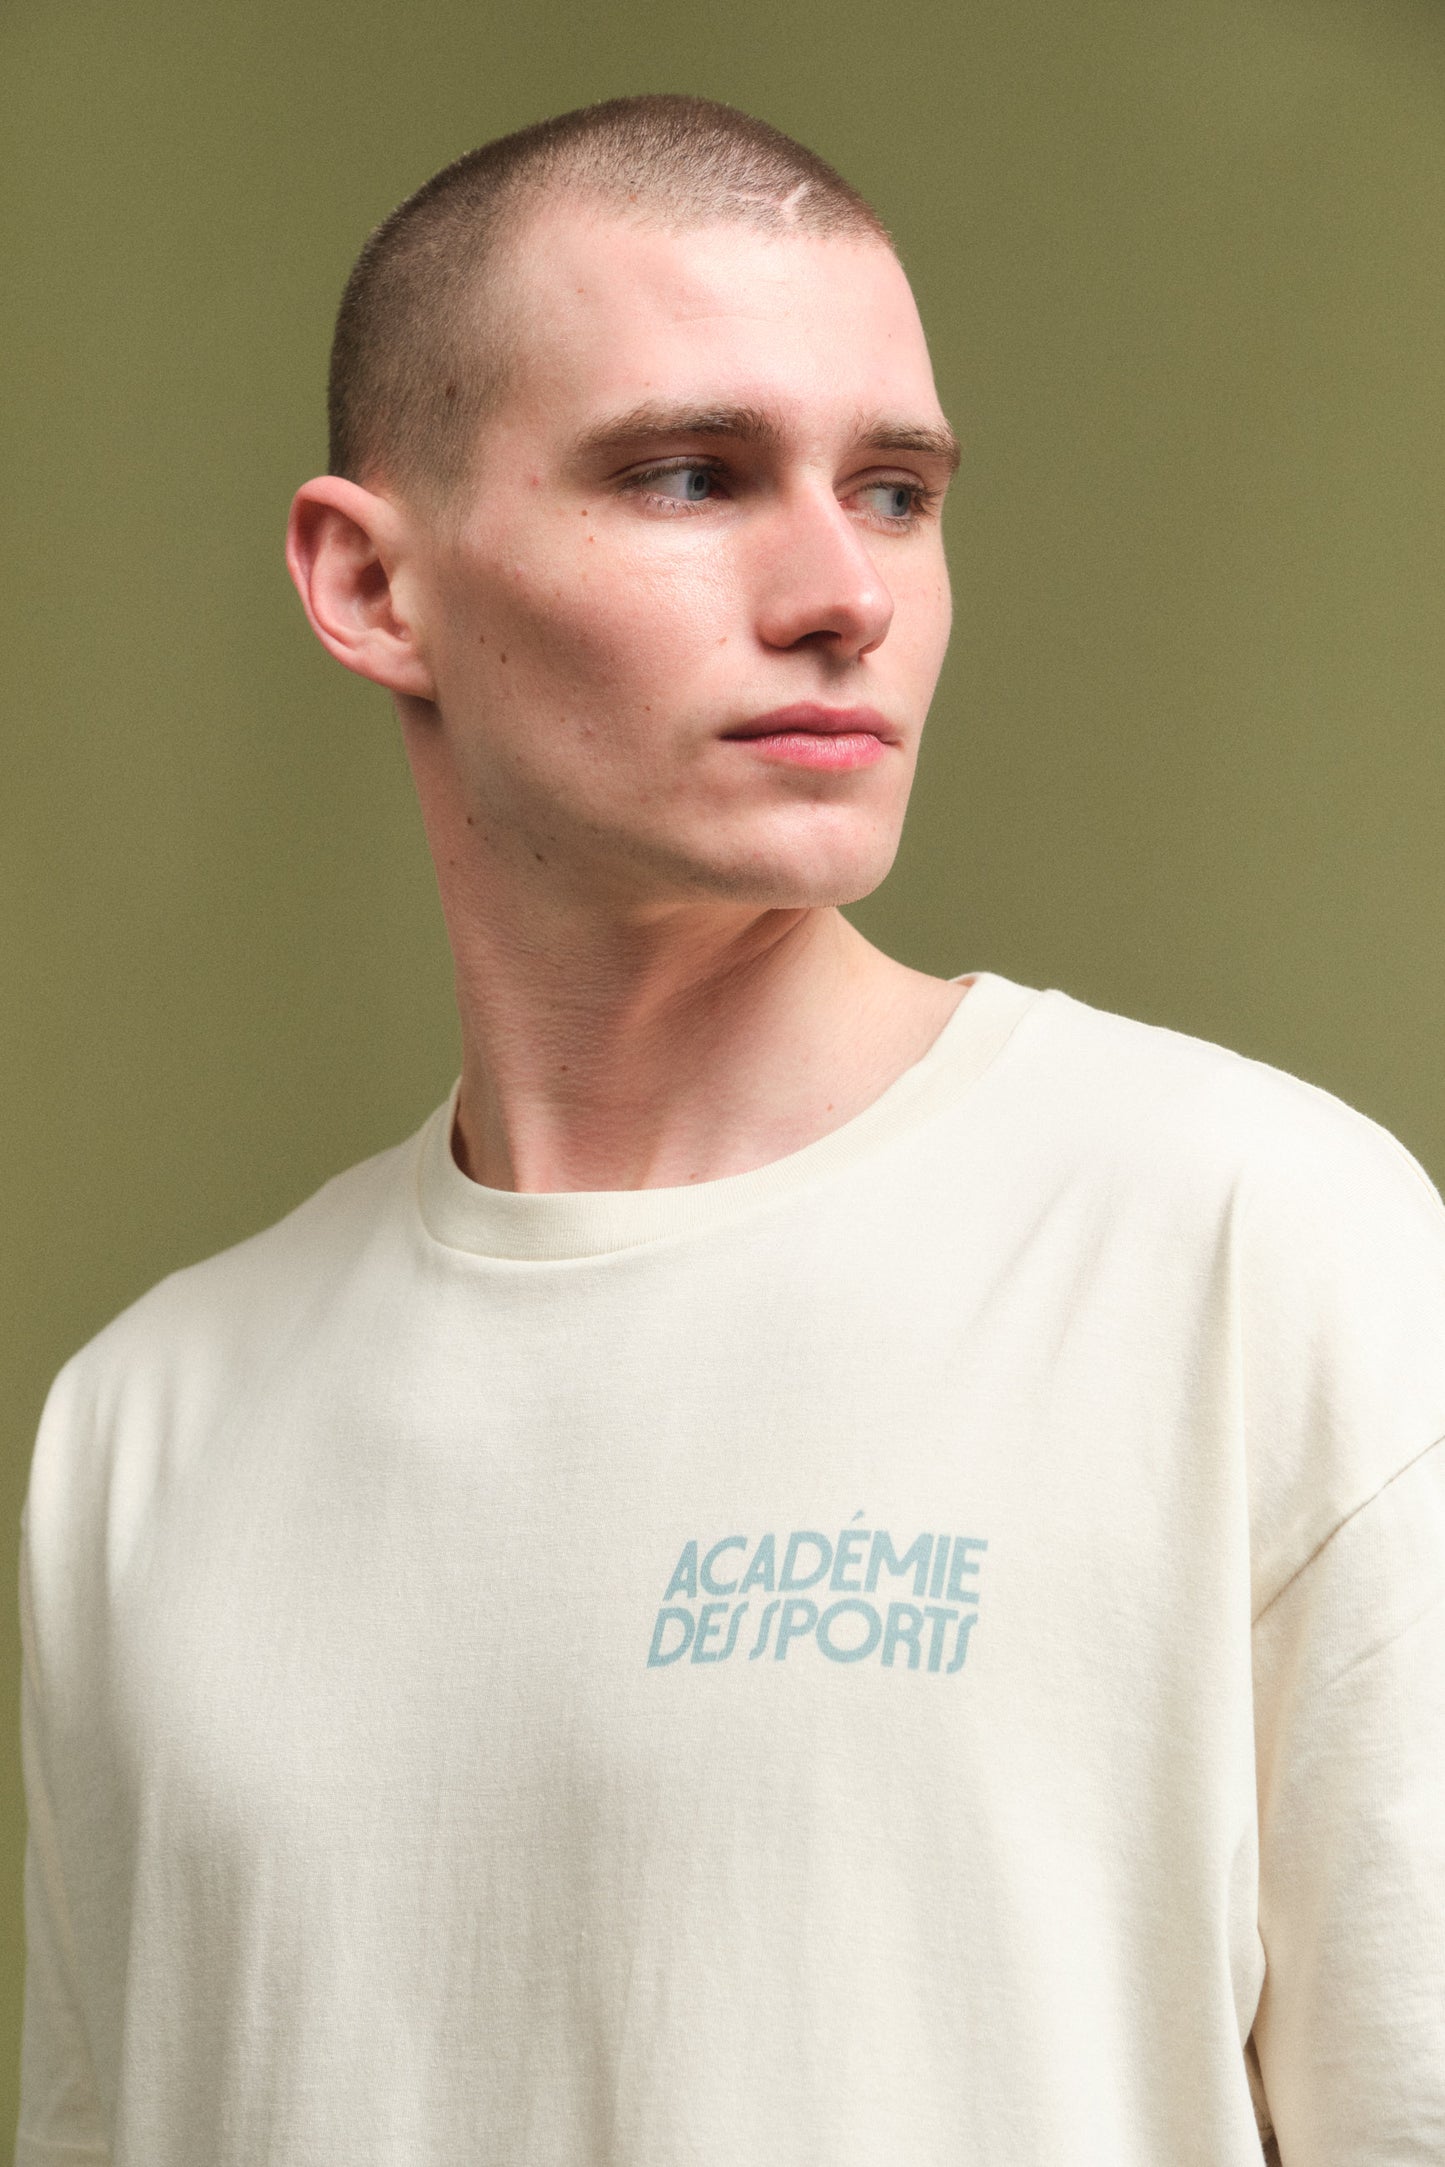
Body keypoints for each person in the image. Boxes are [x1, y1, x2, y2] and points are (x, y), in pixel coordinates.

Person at [15, 93, 1444, 2167]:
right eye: (690, 475)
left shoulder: (1253, 1247)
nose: (841, 591)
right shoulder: (142, 1432)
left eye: (895, 491)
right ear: (371, 582)